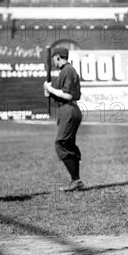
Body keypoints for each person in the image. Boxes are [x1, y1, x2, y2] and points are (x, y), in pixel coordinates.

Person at [43, 47, 84, 192]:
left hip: (69, 109)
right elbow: (56, 94)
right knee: (68, 144)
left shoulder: (67, 70)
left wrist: (51, 89)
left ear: (58, 57)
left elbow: (67, 95)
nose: (53, 60)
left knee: (61, 143)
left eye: (54, 57)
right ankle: (76, 180)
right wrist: (48, 90)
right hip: (66, 110)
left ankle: (76, 180)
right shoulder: (65, 72)